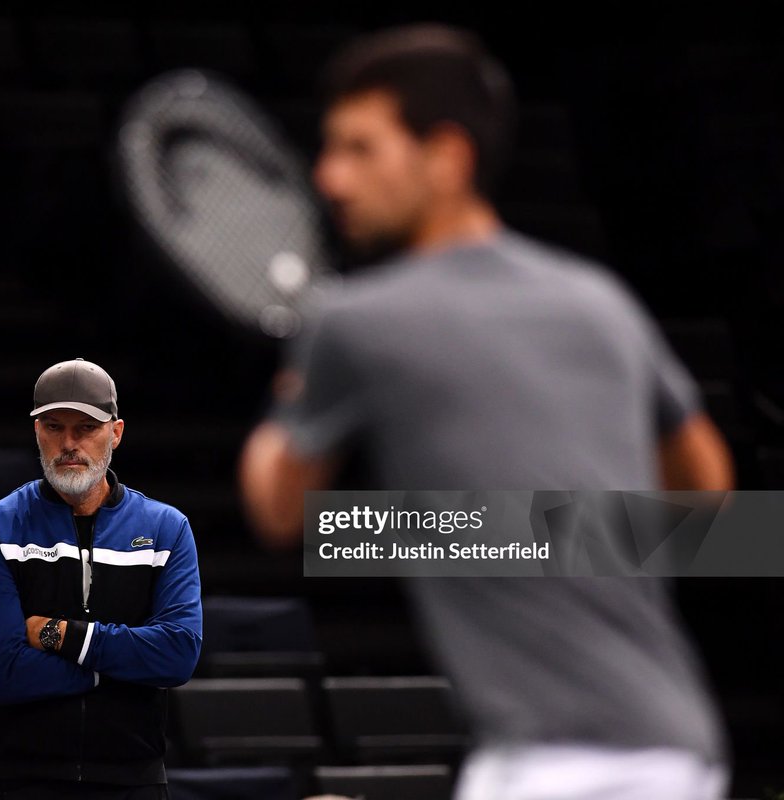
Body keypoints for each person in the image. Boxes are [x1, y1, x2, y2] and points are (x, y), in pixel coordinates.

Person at [239, 24, 735, 800]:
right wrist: (532, 531)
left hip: (555, 767)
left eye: (361, 149)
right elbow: (710, 506)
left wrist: (296, 390)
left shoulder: (355, 320)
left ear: (447, 157)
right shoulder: (600, 301)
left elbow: (277, 509)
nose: (330, 178)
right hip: (677, 749)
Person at [0, 358, 203, 799]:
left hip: (134, 780)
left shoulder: (168, 529)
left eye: (86, 428)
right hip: (19, 780)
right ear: (36, 431)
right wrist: (121, 668)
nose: (69, 443)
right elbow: (3, 673)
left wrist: (58, 634)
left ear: (116, 432)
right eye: (54, 427)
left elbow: (177, 655)